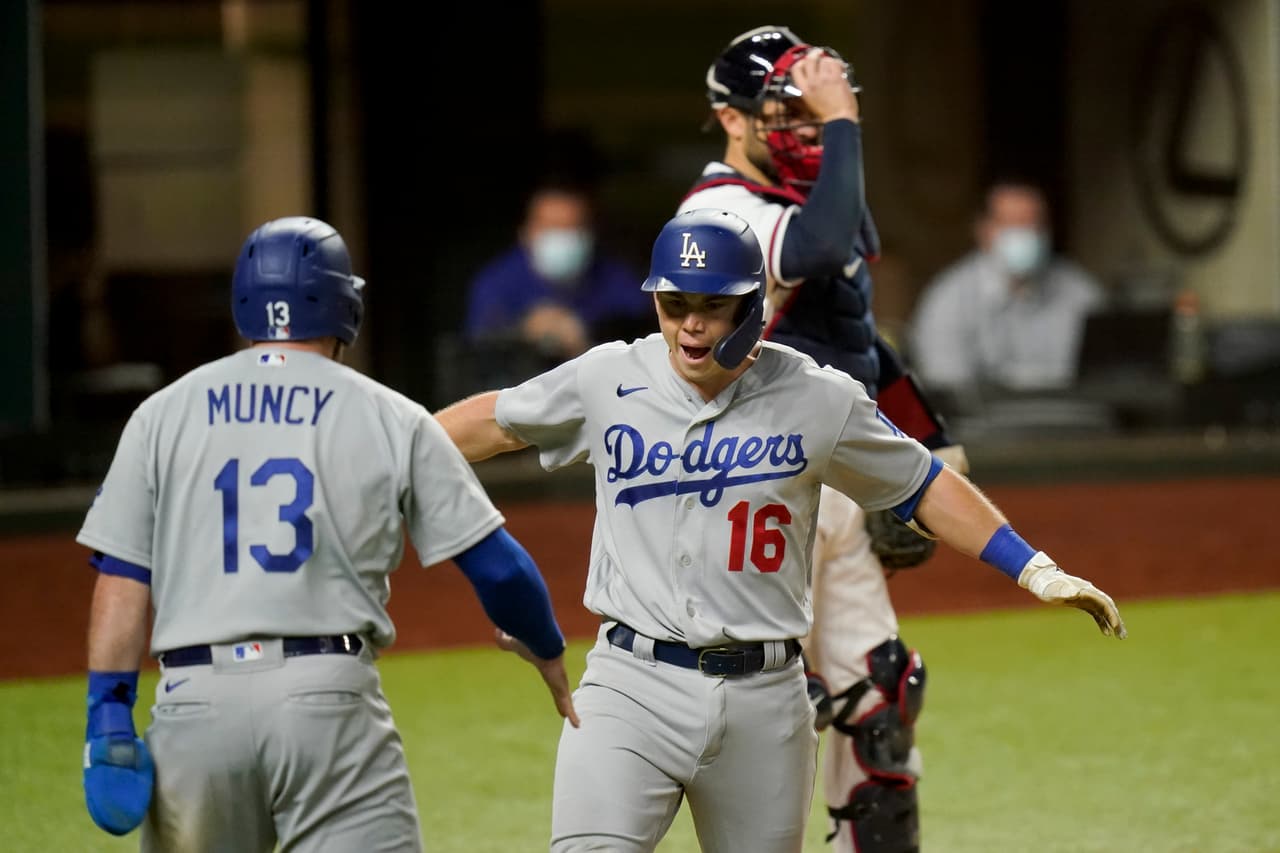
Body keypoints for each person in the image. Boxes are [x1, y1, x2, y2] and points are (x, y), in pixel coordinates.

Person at [435, 208, 1126, 853]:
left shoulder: (815, 397)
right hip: (629, 687)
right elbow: (496, 421)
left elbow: (922, 483)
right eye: (675, 304)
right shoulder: (610, 377)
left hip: (765, 702)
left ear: (750, 305)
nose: (691, 326)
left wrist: (1033, 567)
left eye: (712, 305)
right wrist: (393, 450)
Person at [75, 216, 578, 852]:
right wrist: (547, 649)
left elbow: (122, 579)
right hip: (327, 703)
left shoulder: (159, 416)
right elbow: (501, 570)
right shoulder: (389, 413)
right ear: (345, 305)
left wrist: (109, 714)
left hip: (193, 708)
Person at [680, 25, 969, 850]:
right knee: (774, 721)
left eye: (817, 114)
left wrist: (924, 445)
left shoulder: (805, 202)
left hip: (834, 487)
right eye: (791, 113)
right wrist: (846, 124)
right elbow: (817, 246)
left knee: (879, 699)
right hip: (761, 496)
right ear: (731, 121)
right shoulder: (718, 211)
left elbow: (851, 338)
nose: (809, 128)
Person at [908, 180, 1106, 397]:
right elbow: (949, 390)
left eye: (1033, 224)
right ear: (983, 230)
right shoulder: (947, 301)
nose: (1024, 234)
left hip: (1072, 424)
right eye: (1012, 224)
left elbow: (1106, 380)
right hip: (982, 429)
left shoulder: (1082, 293)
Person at [463, 180, 652, 364]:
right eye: (551, 227)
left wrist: (585, 337)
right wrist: (522, 333)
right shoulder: (496, 282)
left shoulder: (617, 279)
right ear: (526, 233)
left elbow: (643, 338)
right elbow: (479, 347)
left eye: (572, 227)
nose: (562, 238)